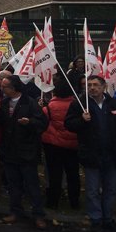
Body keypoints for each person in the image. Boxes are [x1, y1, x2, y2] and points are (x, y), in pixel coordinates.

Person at [0, 75, 48, 230]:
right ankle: (15, 211)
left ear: (14, 87)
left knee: (32, 185)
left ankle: (38, 214)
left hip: (27, 151)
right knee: (13, 184)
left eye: (5, 87)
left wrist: (30, 123)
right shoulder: (3, 103)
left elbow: (42, 123)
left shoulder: (29, 103)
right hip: (10, 151)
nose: (2, 89)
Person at [65, 75, 116, 232]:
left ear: (104, 87)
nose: (92, 88)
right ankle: (96, 219)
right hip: (92, 154)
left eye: (96, 85)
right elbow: (68, 124)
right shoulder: (80, 105)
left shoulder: (114, 104)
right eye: (89, 85)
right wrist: (81, 120)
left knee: (110, 189)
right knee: (93, 189)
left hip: (112, 155)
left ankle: (107, 218)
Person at [41, 79, 80, 210]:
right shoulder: (77, 105)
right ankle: (74, 202)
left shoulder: (49, 107)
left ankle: (52, 201)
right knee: (73, 174)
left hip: (53, 144)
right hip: (72, 145)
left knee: (54, 174)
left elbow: (44, 122)